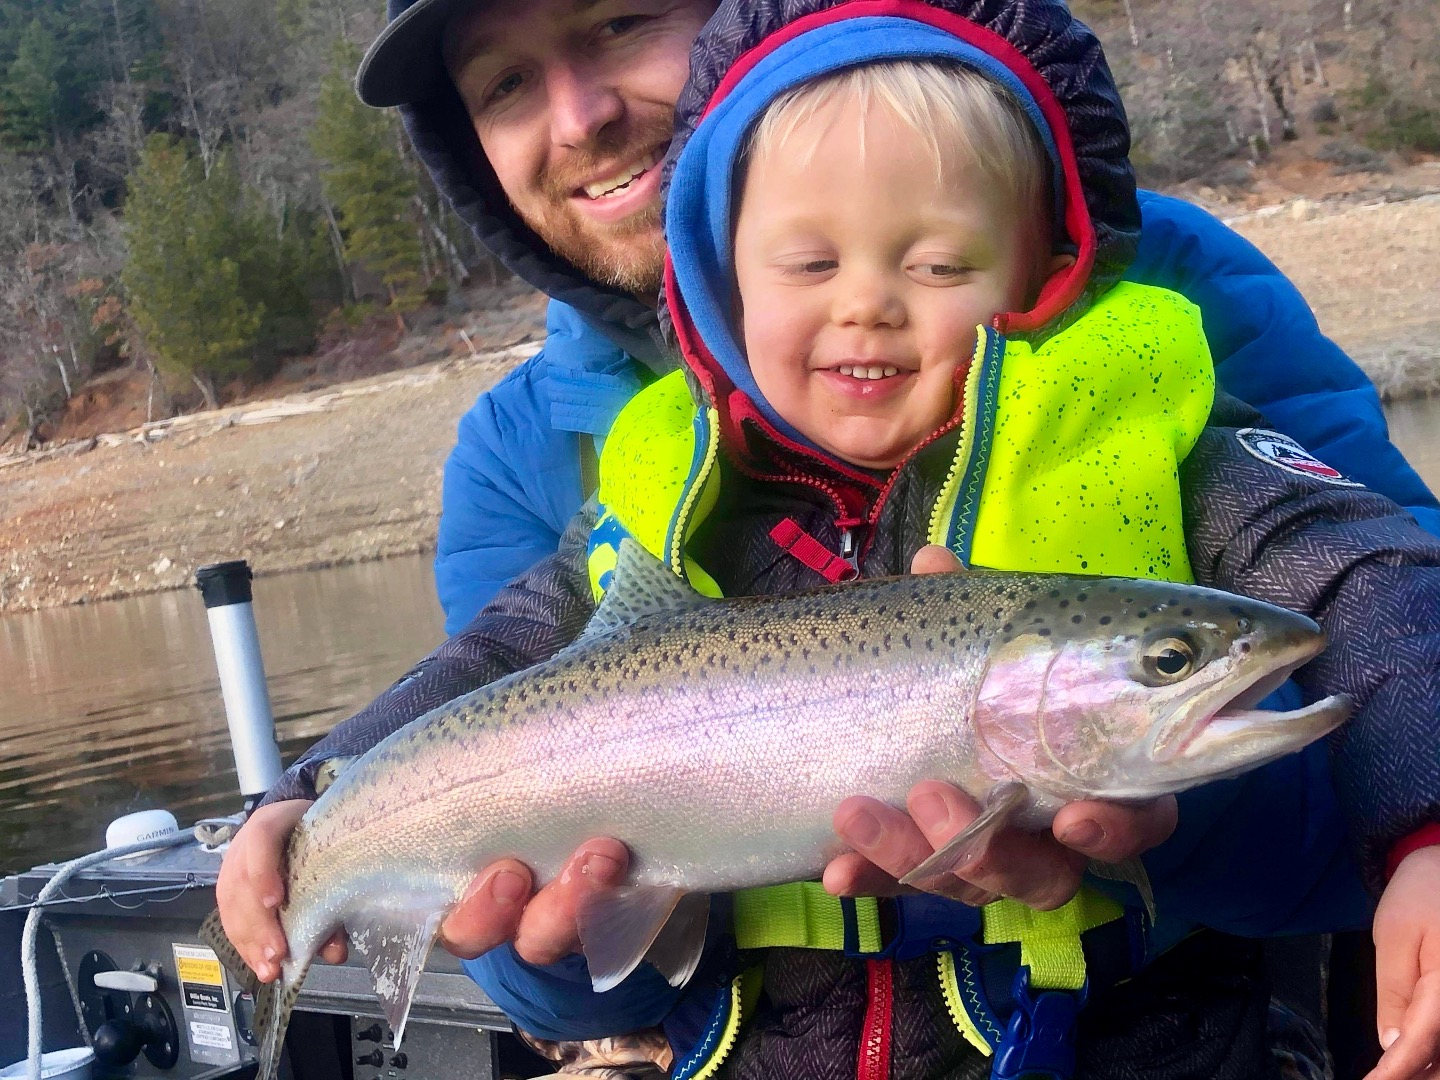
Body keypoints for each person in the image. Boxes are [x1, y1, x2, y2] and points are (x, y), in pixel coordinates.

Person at [216, 0, 1440, 1073]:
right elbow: (487, 689)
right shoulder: (566, 473)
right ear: (723, 289)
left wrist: (1339, 829)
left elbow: (1375, 596)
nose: (580, 113)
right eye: (506, 83)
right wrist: (319, 797)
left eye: (616, 21)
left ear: (1037, 266)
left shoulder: (1174, 349)